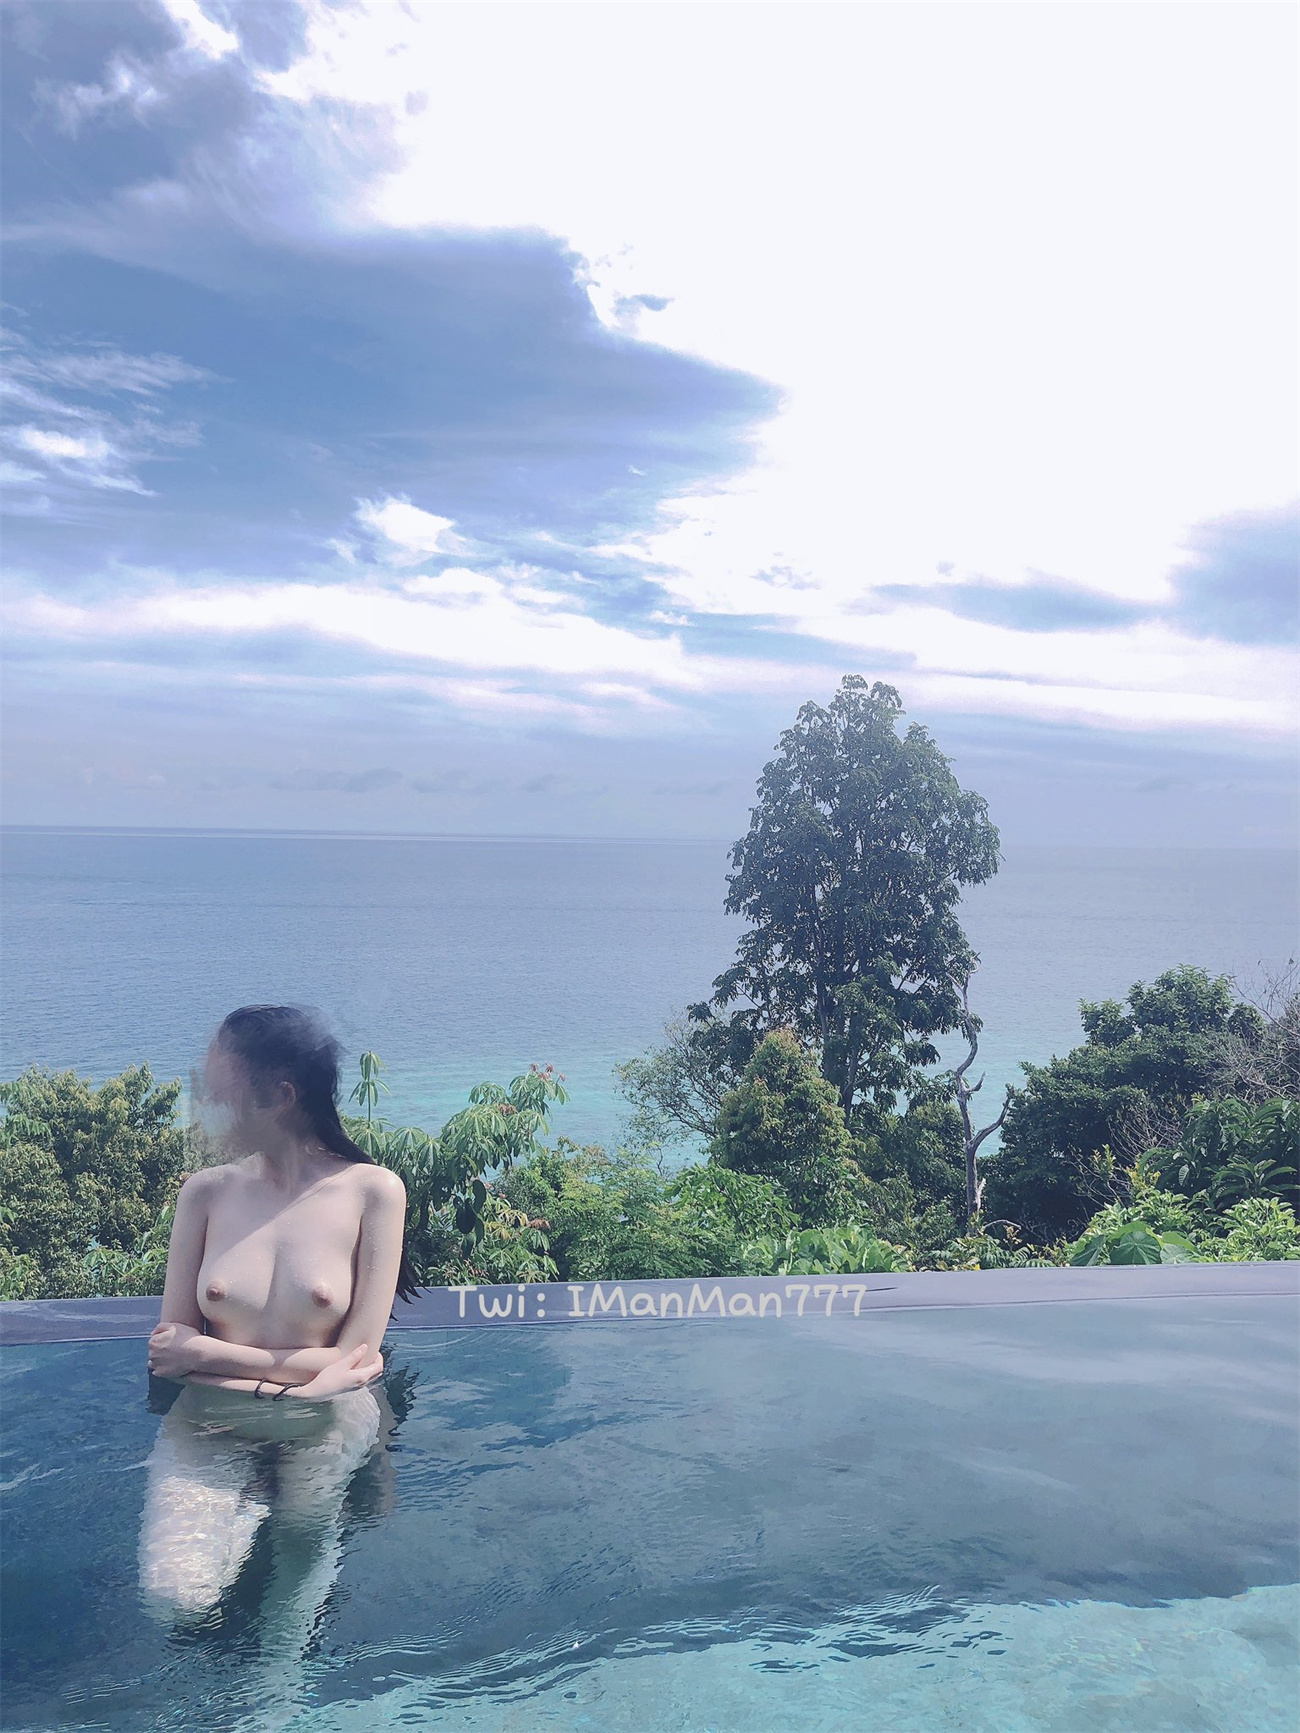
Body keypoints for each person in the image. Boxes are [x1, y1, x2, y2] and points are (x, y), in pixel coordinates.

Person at [138, 1004, 415, 1647]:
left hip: (323, 1424)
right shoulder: (206, 1192)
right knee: (175, 1599)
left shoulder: (373, 1191)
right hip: (218, 1421)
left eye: (221, 1088)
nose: (208, 1103)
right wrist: (297, 1380)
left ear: (281, 1096)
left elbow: (357, 1360)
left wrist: (207, 1354)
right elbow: (166, 1352)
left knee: (292, 1599)